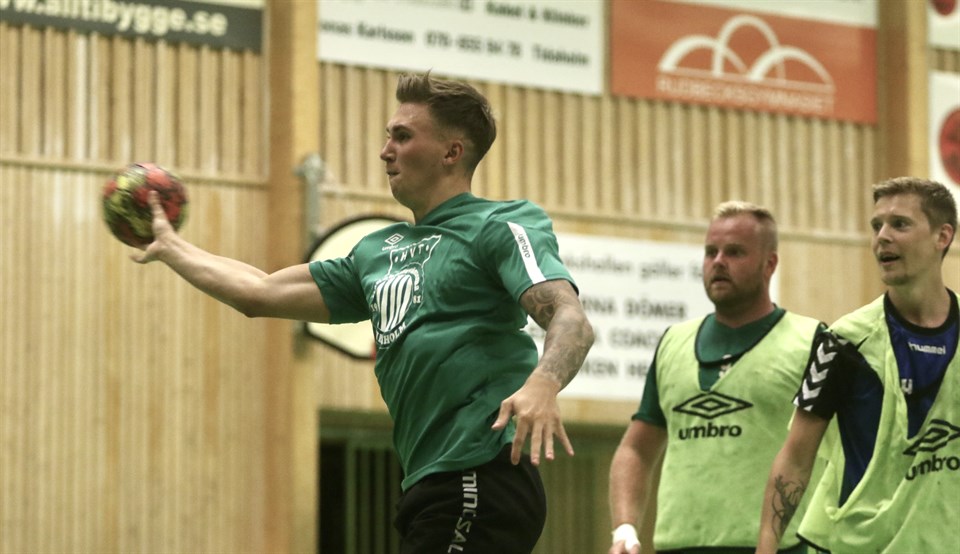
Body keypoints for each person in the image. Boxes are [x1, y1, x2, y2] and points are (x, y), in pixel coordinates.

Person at [131, 72, 594, 553]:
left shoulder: (498, 225)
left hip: (480, 473)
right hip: (427, 483)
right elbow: (259, 292)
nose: (385, 151)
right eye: (388, 135)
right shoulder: (376, 252)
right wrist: (173, 248)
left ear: (451, 152)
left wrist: (543, 384)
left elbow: (570, 318)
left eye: (403, 136)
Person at [756, 177, 959, 553]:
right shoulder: (843, 341)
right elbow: (796, 458)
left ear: (942, 236)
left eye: (899, 224)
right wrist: (766, 548)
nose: (882, 237)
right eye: (876, 225)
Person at [608, 201, 824, 554]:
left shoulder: (813, 341)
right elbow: (636, 449)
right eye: (711, 252)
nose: (718, 262)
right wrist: (625, 528)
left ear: (770, 264)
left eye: (735, 252)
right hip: (678, 547)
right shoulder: (673, 343)